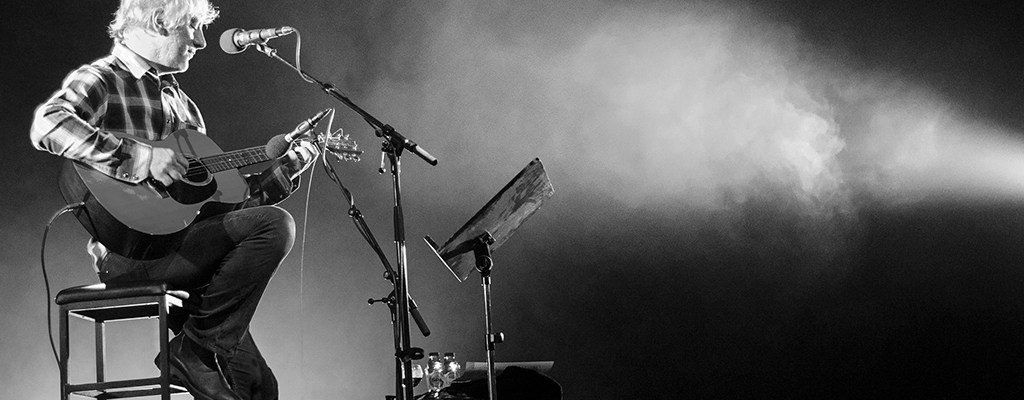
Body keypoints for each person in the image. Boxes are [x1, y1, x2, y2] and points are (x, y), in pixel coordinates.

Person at [30, 1, 319, 399]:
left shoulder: (183, 105)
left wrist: (286, 169)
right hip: (131, 255)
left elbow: (221, 207)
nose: (201, 42)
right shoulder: (102, 78)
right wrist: (139, 157)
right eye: (194, 28)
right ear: (160, 22)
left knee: (258, 387)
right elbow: (49, 124)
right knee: (276, 224)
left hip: (186, 249)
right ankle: (194, 350)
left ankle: (196, 349)